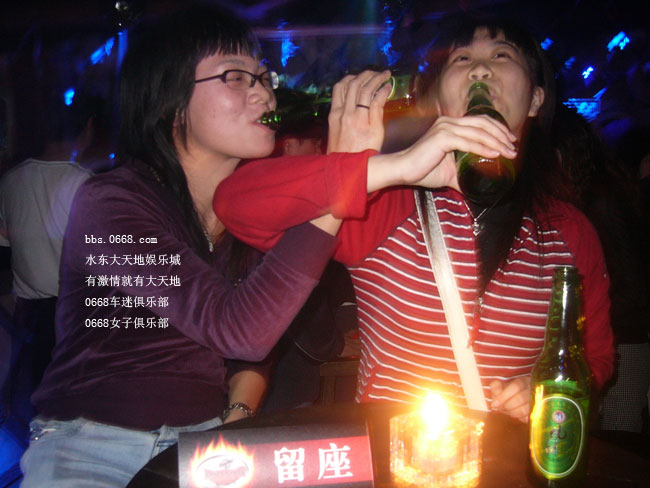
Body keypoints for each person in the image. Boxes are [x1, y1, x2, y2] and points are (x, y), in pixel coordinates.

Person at [214, 16, 615, 423]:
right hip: (393, 456)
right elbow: (234, 203)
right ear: (440, 103)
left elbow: (595, 357)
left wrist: (547, 389)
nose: (479, 70)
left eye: (501, 55)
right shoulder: (390, 203)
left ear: (535, 100)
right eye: (462, 59)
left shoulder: (569, 231)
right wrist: (393, 168)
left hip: (508, 456)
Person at [19, 6, 338, 487]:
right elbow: (237, 328)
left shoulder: (252, 213)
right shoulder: (111, 203)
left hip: (203, 448)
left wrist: (236, 416)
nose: (263, 92)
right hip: (90, 447)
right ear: (170, 100)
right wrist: (337, 188)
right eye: (235, 76)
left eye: (262, 77)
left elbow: (256, 346)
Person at [551, 105, 650, 434]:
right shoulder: (596, 193)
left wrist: (587, 318)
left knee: (617, 439)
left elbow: (632, 284)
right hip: (617, 339)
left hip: (625, 343)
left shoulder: (596, 203)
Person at [0, 90, 97, 405]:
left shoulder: (11, 180)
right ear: (87, 130)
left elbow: (5, 243)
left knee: (35, 393)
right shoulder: (87, 184)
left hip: (28, 312)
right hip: (73, 312)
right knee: (70, 398)